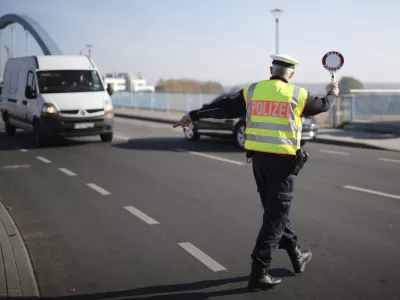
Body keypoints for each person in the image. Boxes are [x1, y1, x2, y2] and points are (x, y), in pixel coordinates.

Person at [173, 54, 339, 292]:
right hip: (283, 164)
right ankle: (259, 271)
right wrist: (333, 91)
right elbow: (323, 105)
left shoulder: (252, 91)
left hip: (259, 162)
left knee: (275, 212)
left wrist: (193, 115)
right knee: (276, 217)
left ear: (271, 69)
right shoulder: (298, 95)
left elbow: (223, 107)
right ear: (291, 74)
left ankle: (296, 253)